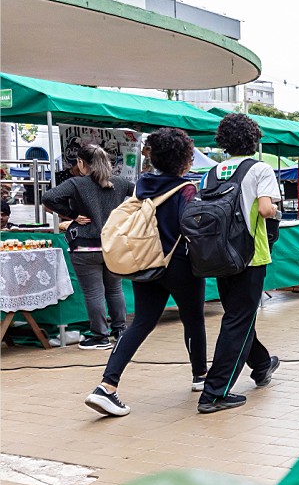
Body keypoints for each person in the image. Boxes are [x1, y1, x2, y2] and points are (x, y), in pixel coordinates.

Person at [84, 129, 207, 418]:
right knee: (193, 318)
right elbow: (191, 228)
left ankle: (107, 386)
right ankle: (200, 376)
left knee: (140, 323)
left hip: (145, 263)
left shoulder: (143, 184)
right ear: (183, 160)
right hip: (178, 264)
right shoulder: (185, 189)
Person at [197, 113, 282, 414]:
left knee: (238, 314)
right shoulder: (260, 169)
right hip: (250, 254)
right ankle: (214, 392)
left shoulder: (210, 173)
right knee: (238, 319)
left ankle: (261, 365)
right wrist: (272, 207)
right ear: (254, 140)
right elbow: (264, 209)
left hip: (218, 254)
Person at [42, 145, 133, 350]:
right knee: (115, 289)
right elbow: (141, 195)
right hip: (112, 246)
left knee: (94, 292)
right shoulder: (119, 183)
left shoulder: (76, 183)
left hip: (85, 246)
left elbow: (48, 198)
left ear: (82, 163)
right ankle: (120, 331)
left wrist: (72, 215)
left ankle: (100, 336)